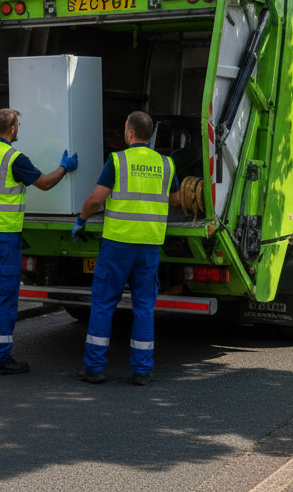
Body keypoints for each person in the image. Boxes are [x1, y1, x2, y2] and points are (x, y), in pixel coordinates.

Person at [71, 111, 180, 385]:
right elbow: (176, 199)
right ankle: (142, 371)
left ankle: (94, 368)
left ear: (130, 132)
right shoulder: (166, 164)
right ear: (149, 134)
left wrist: (81, 219)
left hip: (117, 244)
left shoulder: (117, 160)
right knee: (144, 307)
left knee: (104, 304)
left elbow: (97, 199)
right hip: (149, 247)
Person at [0, 108, 77, 375]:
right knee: (4, 296)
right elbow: (46, 183)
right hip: (2, 237)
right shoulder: (15, 158)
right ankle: (0, 359)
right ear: (13, 128)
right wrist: (65, 167)